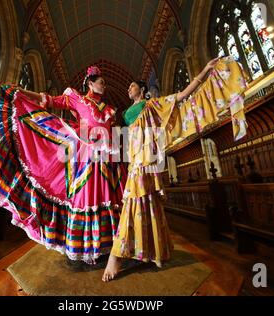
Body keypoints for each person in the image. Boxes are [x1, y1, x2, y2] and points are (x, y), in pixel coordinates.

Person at [102, 56, 249, 281]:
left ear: (141, 89)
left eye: (131, 85)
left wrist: (203, 73)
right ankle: (152, 251)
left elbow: (181, 97)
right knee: (143, 200)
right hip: (134, 157)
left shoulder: (151, 104)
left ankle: (118, 255)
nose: (128, 88)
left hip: (147, 157)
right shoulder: (127, 112)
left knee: (139, 198)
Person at [0, 66, 127, 265]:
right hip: (86, 158)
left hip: (107, 161)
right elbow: (48, 99)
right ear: (90, 83)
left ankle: (110, 247)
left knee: (109, 198)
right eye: (101, 82)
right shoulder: (76, 98)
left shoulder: (109, 110)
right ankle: (89, 248)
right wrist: (19, 91)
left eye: (104, 83)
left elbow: (114, 134)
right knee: (86, 198)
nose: (104, 86)